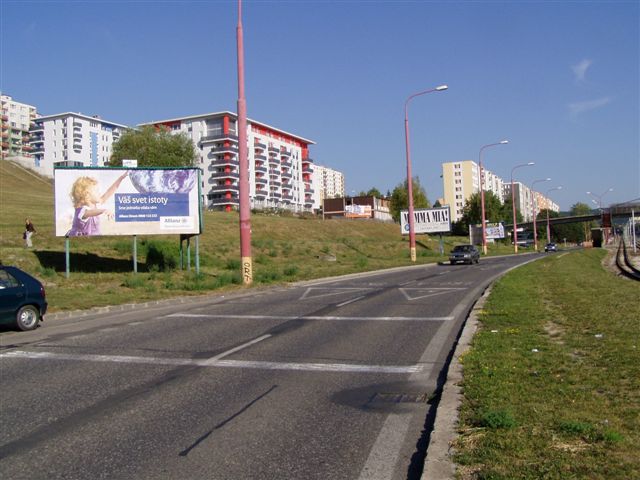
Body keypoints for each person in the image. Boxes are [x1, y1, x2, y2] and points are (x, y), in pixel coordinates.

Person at [66, 172, 128, 237]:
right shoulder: (82, 211)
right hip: (80, 240)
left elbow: (109, 192)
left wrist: (121, 178)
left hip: (94, 237)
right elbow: (89, 213)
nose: (99, 192)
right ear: (87, 195)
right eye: (96, 191)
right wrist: (103, 210)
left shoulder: (96, 205)